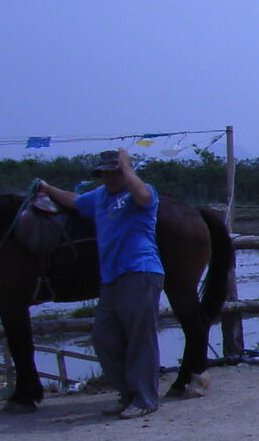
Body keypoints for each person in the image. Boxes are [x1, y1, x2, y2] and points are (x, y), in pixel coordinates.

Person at [35, 149, 164, 419]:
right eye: (106, 172)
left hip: (139, 271)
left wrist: (127, 168)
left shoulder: (140, 192)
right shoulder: (99, 197)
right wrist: (47, 188)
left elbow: (142, 196)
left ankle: (145, 398)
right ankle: (126, 393)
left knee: (140, 339)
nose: (111, 177)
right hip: (111, 278)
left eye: (116, 172)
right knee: (103, 337)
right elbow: (74, 201)